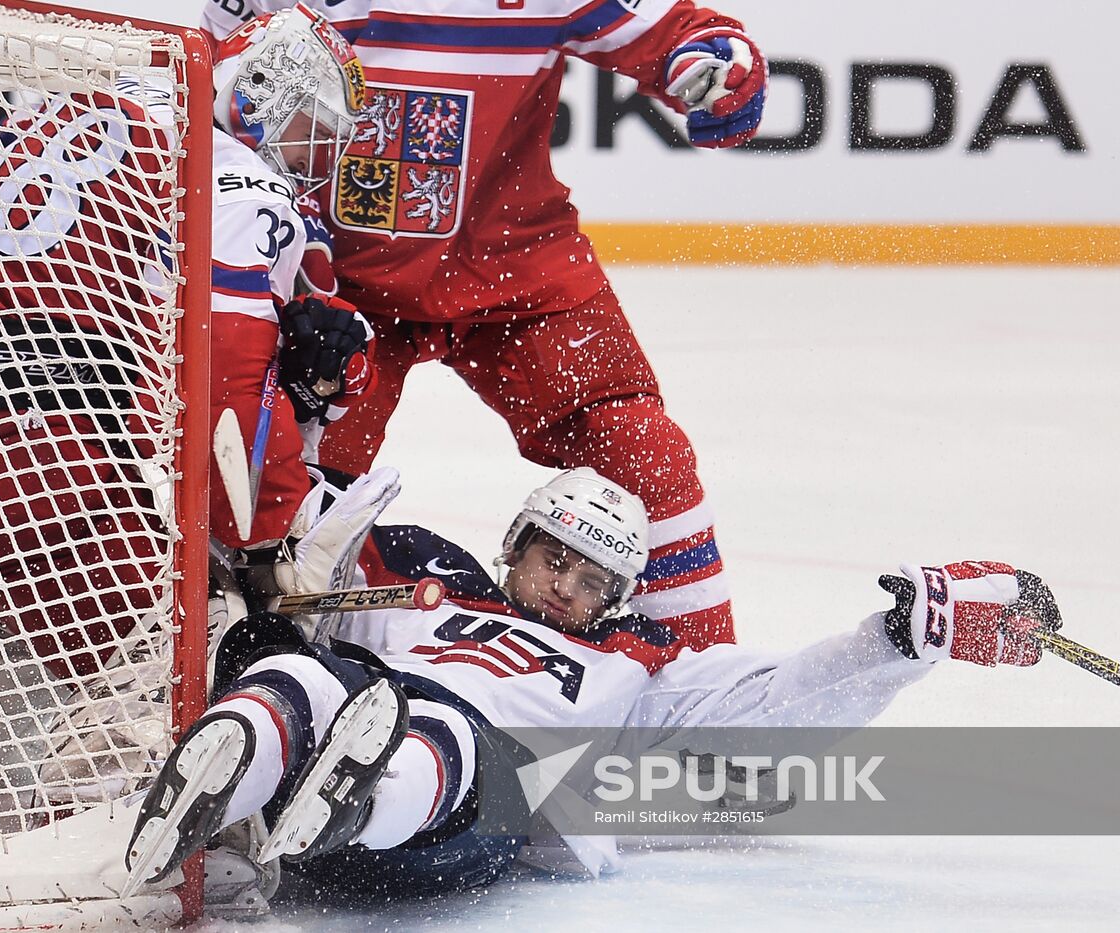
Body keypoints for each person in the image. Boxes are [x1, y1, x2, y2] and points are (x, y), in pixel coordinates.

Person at [0, 6, 376, 796]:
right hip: (29, 438)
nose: (313, 156)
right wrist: (265, 537)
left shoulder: (92, 101)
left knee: (20, 545)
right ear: (258, 97)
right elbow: (226, 394)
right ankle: (117, 816)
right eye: (310, 128)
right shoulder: (237, 176)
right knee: (189, 620)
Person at [124, 466, 1064, 896]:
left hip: (455, 826)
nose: (565, 588)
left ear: (618, 598)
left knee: (450, 737)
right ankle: (235, 768)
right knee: (304, 674)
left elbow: (774, 706)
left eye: (592, 581)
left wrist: (894, 640)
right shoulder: (421, 593)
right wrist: (282, 571)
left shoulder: (632, 672)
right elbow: (290, 578)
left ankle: (354, 804)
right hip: (365, 741)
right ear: (516, 547)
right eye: (551, 560)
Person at [199, 0, 771, 651]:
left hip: (517, 265)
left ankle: (699, 690)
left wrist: (718, 69)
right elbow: (209, 95)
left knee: (642, 449)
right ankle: (259, 672)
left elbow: (685, 36)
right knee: (279, 491)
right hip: (342, 286)